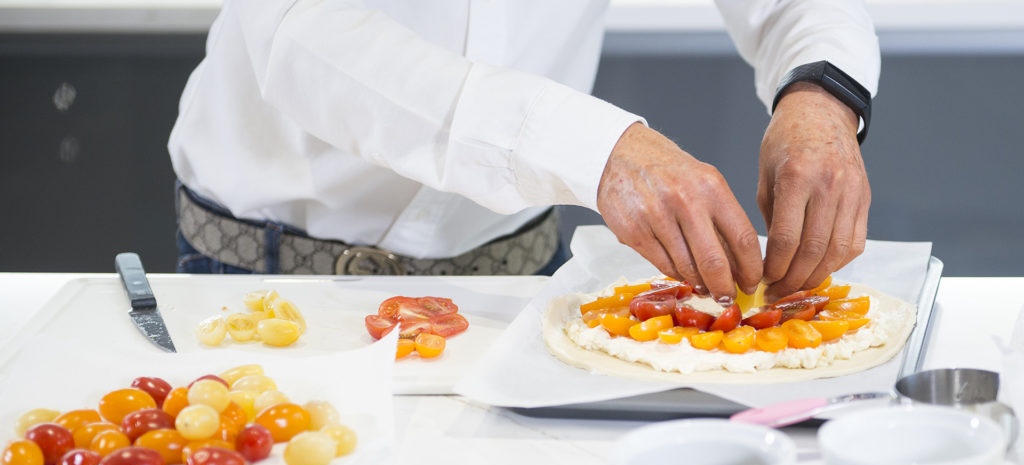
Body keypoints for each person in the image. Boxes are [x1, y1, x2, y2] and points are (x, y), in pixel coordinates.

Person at [169, 0, 878, 302]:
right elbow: (299, 38)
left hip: (514, 278)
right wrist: (593, 150)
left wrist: (821, 92)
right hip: (270, 280)